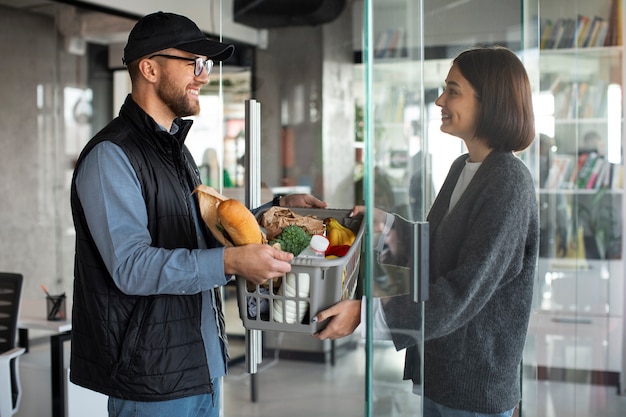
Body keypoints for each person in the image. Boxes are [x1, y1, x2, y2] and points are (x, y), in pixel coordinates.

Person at [69, 11, 326, 417]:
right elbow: (132, 267)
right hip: (150, 378)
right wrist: (230, 262)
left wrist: (274, 213)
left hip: (200, 363)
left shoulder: (174, 149)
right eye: (193, 62)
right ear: (149, 68)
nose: (203, 76)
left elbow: (199, 233)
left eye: (204, 65)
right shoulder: (111, 156)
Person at [313, 46, 539, 417]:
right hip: (442, 372)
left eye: (453, 90)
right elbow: (436, 247)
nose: (439, 100)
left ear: (490, 101)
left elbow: (463, 290)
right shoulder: (463, 166)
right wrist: (390, 226)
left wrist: (367, 315)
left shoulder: (509, 181)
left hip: (474, 388)